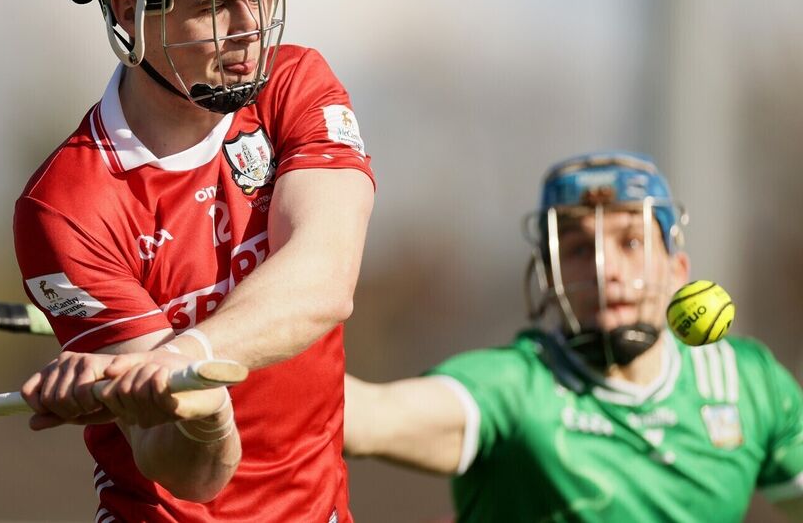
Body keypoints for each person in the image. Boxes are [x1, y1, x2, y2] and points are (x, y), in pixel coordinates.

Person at [14, 0, 375, 523]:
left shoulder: (295, 85)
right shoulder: (66, 208)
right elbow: (195, 474)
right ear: (130, 12)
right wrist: (201, 407)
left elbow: (324, 278)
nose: (249, 27)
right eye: (215, 6)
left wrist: (188, 354)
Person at [344, 151, 803, 522]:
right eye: (580, 248)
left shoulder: (748, 386)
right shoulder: (516, 388)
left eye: (631, 242)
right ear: (550, 275)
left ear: (677, 270)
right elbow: (367, 418)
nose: (605, 270)